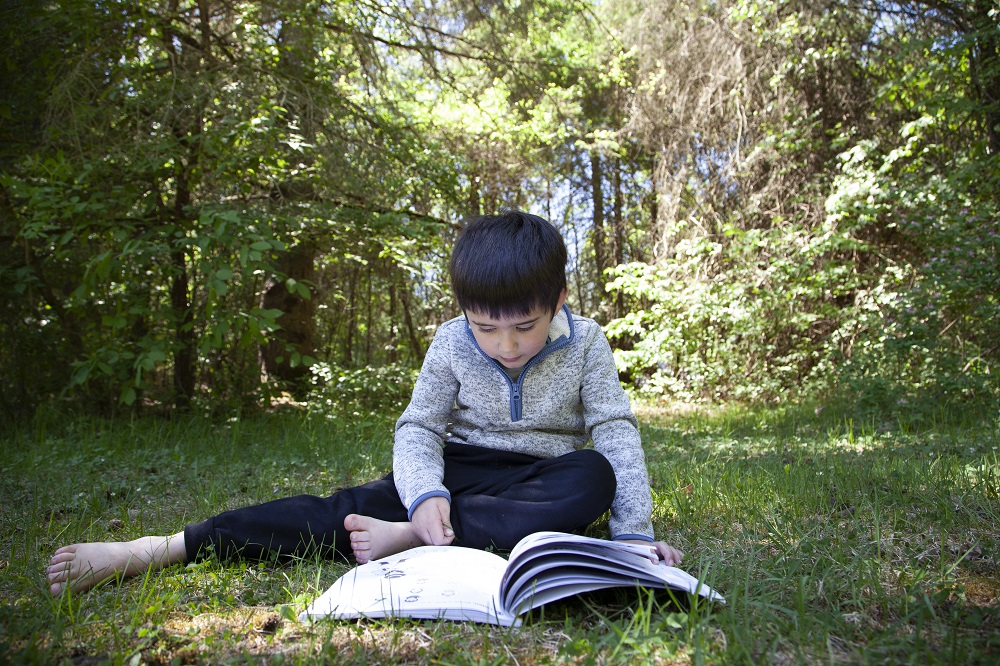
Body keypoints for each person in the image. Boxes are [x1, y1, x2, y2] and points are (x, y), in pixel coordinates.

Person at [47, 211, 683, 596]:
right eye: (486, 328)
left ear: (560, 301)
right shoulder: (448, 342)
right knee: (338, 515)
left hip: (541, 479)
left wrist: (632, 535)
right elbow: (420, 427)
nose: (507, 345)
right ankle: (159, 548)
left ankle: (411, 540)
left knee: (591, 475)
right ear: (465, 312)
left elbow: (615, 432)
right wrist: (424, 495)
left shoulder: (589, 342)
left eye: (526, 325)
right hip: (455, 471)